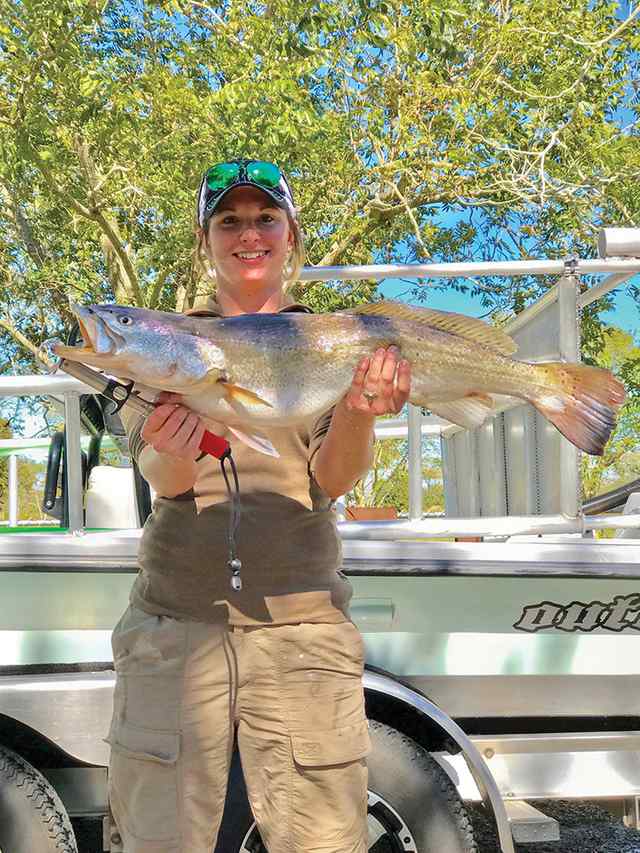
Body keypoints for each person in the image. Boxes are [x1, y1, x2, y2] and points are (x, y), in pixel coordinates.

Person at [107, 158, 411, 853]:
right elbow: (166, 479)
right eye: (230, 220)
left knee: (323, 841)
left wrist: (361, 413)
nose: (249, 234)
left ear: (291, 234)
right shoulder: (164, 342)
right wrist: (170, 441)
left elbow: (330, 481)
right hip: (176, 627)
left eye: (265, 217)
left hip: (302, 628)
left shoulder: (335, 340)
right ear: (205, 239)